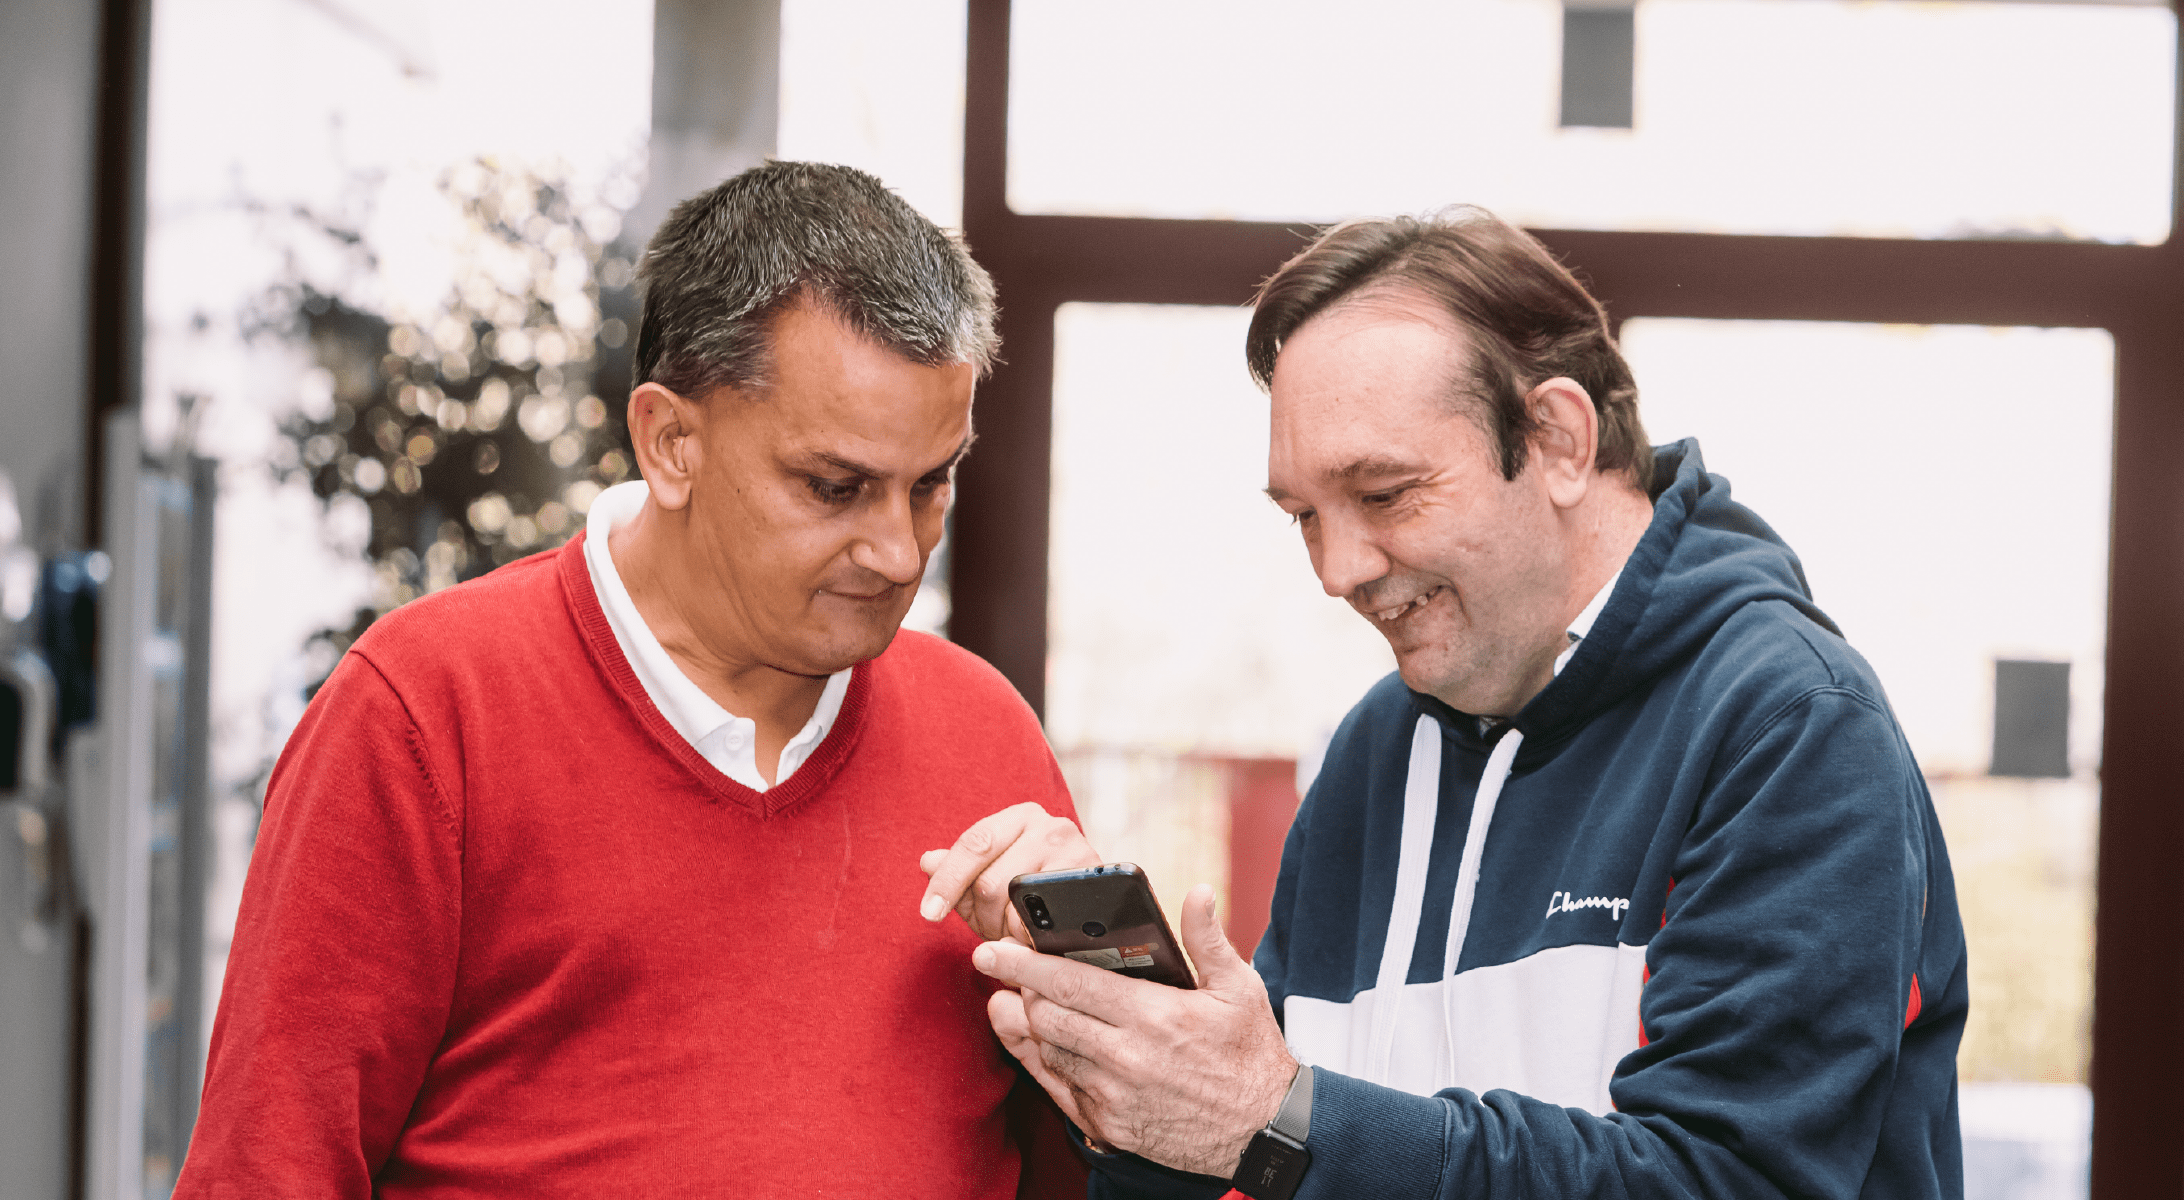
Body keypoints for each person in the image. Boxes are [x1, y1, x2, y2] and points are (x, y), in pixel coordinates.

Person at [941, 208, 1967, 1200]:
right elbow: (1280, 1169)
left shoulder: (1792, 728)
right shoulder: (1373, 755)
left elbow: (1731, 1181)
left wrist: (1278, 1117)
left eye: (1384, 494)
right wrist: (1142, 1081)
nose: (1338, 570)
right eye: (1305, 515)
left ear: (1560, 439)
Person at [177, 162, 1096, 1198]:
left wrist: (1112, 977)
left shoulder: (987, 736)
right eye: (835, 487)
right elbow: (268, 1170)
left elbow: (1098, 1172)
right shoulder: (423, 716)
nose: (896, 550)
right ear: (671, 443)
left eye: (932, 484)